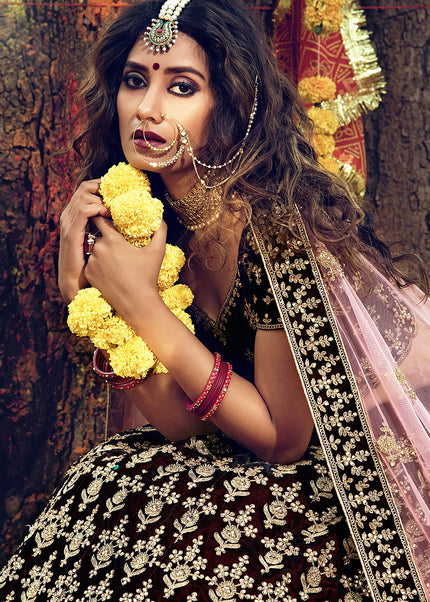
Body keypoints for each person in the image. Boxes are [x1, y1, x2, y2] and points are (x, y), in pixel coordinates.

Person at [1, 0, 429, 600]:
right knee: (111, 477)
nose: (147, 109)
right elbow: (185, 427)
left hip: (350, 484)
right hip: (248, 455)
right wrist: (90, 302)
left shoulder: (278, 232)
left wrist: (141, 306)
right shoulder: (152, 218)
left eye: (181, 87)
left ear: (230, 106)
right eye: (133, 81)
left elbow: (284, 440)